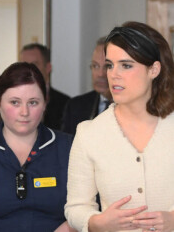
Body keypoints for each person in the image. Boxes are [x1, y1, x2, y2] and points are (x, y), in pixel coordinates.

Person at [65, 21, 174, 232]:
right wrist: (96, 222)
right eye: (110, 65)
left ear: (154, 69)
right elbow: (76, 207)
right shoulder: (89, 133)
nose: (113, 74)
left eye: (126, 65)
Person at [0, 62, 75, 232]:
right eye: (15, 102)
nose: (24, 112)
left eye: (33, 102)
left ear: (45, 102)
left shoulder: (69, 148)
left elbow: (88, 209)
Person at [62, 36, 112, 136]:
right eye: (95, 66)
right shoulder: (75, 106)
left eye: (107, 66)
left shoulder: (132, 108)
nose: (100, 74)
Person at [20, 43, 69, 130]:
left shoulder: (66, 104)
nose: (28, 70)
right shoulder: (13, 102)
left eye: (34, 65)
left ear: (48, 67)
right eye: (23, 65)